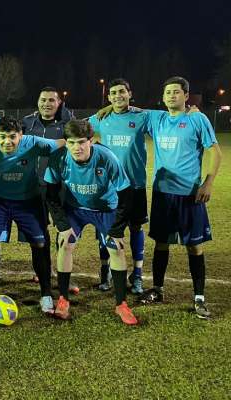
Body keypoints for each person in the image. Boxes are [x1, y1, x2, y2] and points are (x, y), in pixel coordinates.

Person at [0, 116, 63, 314]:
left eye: (13, 137)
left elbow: (60, 144)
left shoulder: (33, 143)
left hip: (29, 202)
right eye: (3, 136)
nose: (8, 141)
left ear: (21, 136)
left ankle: (46, 294)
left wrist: (89, 141)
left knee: (40, 243)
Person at [139, 76, 222, 319]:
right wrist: (105, 107)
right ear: (163, 97)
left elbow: (215, 152)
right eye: (167, 92)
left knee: (194, 246)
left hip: (189, 195)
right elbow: (126, 108)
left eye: (176, 92)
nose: (171, 96)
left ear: (186, 96)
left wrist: (208, 182)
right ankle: (158, 289)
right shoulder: (157, 118)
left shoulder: (197, 119)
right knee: (161, 242)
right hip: (163, 194)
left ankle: (199, 298)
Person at [44, 119, 138, 325]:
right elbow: (50, 195)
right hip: (75, 209)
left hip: (105, 208)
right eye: (71, 143)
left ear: (91, 141)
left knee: (116, 248)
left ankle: (121, 304)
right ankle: (63, 299)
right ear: (66, 143)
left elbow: (126, 195)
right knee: (64, 243)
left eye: (81, 142)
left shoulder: (107, 158)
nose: (76, 148)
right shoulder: (58, 158)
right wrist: (63, 225)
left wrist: (117, 228)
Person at [88, 79, 150, 294]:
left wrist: (192, 111)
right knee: (106, 230)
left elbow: (169, 117)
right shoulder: (101, 119)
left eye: (121, 92)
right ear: (108, 97)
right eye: (113, 93)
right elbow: (76, 127)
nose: (117, 96)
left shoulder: (142, 116)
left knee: (135, 227)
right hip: (108, 187)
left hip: (135, 184)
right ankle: (105, 271)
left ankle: (138, 274)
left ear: (129, 93)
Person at [22, 87, 83, 293]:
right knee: (39, 232)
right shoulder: (27, 123)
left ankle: (62, 273)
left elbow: (85, 132)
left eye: (51, 100)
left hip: (60, 186)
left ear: (59, 103)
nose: (46, 104)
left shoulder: (68, 124)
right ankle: (42, 271)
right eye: (43, 100)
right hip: (34, 186)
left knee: (63, 230)